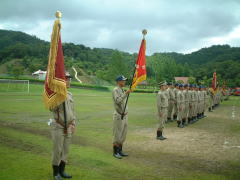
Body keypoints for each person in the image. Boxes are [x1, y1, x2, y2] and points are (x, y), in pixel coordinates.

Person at [50, 72, 76, 180]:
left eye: (70, 79)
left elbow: (73, 111)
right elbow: (51, 108)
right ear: (61, 81)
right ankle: (56, 173)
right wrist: (58, 96)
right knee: (58, 150)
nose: (69, 81)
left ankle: (62, 171)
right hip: (59, 126)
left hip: (69, 126)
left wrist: (73, 123)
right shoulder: (56, 95)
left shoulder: (70, 94)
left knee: (65, 150)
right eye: (66, 79)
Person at [112, 75, 131, 159]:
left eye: (124, 80)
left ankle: (120, 150)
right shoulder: (115, 90)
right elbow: (118, 101)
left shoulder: (122, 89)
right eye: (123, 80)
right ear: (118, 81)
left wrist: (125, 93)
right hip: (119, 115)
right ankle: (115, 152)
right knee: (117, 134)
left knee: (123, 134)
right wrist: (125, 94)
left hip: (125, 115)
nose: (124, 82)